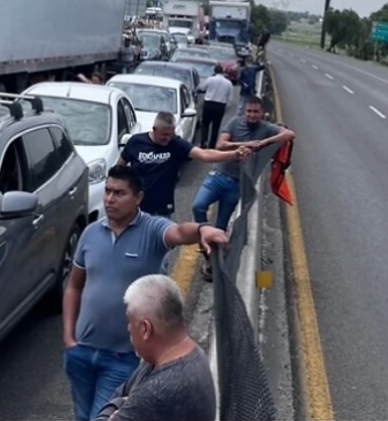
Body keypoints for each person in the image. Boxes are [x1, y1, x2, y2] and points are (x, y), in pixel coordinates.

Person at [63, 165, 228, 421]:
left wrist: (201, 230)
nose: (109, 199)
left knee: (103, 416)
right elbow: (74, 286)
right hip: (81, 352)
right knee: (82, 416)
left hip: (121, 360)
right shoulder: (90, 233)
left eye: (119, 193)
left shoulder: (152, 229)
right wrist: (69, 338)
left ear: (138, 198)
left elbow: (177, 232)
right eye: (107, 191)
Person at [191, 95, 294, 280]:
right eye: (249, 111)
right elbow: (221, 145)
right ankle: (204, 240)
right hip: (218, 175)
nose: (252, 115)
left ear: (262, 113)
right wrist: (242, 145)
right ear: (244, 111)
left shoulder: (266, 128)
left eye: (256, 112)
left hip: (237, 184)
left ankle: (212, 263)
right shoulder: (234, 123)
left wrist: (263, 143)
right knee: (198, 206)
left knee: (221, 226)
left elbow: (289, 134)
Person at [95, 275, 216, 421]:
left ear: (145, 329)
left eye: (130, 321)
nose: (128, 328)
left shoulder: (156, 393)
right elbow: (121, 392)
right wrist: (122, 402)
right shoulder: (185, 354)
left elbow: (117, 401)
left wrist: (122, 404)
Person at [117, 112, 248, 219]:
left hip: (161, 211)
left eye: (171, 134)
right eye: (164, 135)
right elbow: (120, 168)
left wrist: (234, 155)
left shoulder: (176, 145)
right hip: (135, 208)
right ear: (154, 129)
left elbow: (205, 155)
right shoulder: (136, 142)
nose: (168, 138)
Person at [195, 65, 234, 149]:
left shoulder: (210, 79)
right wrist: (226, 108)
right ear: (223, 72)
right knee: (216, 126)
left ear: (215, 71)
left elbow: (202, 88)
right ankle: (212, 144)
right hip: (220, 105)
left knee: (205, 124)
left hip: (209, 104)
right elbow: (230, 98)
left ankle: (203, 142)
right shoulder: (228, 83)